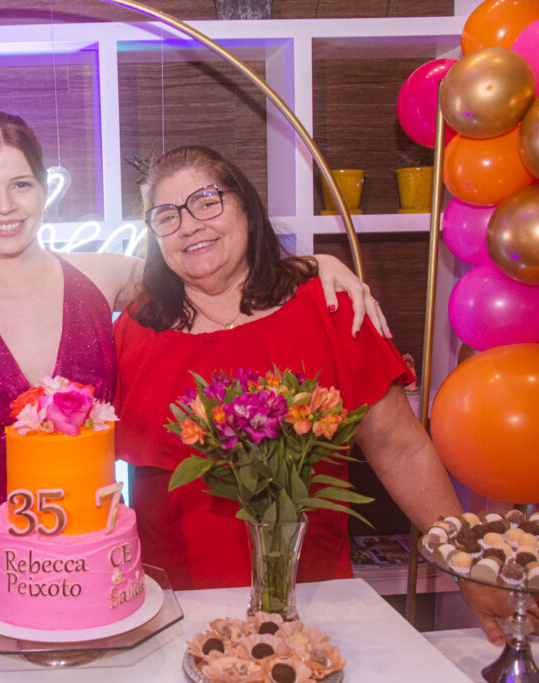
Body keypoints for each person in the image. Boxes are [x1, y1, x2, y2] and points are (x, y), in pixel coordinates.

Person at [0, 112, 387, 594]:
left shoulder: (102, 277)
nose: (3, 205)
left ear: (46, 191)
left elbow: (209, 267)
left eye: (20, 184)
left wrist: (317, 263)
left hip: (92, 526)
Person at [114, 143, 518, 642]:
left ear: (245, 206)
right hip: (174, 609)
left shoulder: (328, 308)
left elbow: (403, 449)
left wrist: (466, 563)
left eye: (207, 201)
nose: (190, 225)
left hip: (314, 602)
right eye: (166, 215)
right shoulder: (135, 330)